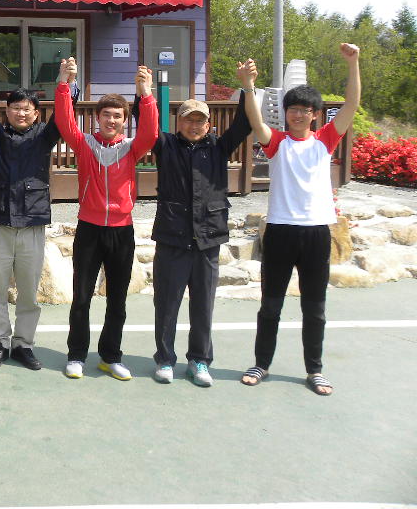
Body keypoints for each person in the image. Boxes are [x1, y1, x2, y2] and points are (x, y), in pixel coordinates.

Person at [238, 45, 361, 396]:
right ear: (286, 113)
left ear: (315, 115)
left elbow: (351, 104)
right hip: (280, 231)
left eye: (305, 110)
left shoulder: (325, 140)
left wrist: (353, 64)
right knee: (270, 306)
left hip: (317, 233)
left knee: (315, 309)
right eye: (292, 109)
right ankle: (261, 364)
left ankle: (315, 370)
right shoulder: (276, 142)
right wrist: (248, 86)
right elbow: (255, 120)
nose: (298, 115)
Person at [55, 59, 158, 381]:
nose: (111, 120)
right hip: (89, 229)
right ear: (97, 118)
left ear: (125, 121)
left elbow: (151, 131)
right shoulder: (84, 144)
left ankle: (110, 357)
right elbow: (64, 121)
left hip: (121, 231)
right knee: (82, 298)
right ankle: (76, 355)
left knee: (117, 300)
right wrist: (64, 83)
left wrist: (146, 92)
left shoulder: (132, 148)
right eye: (106, 115)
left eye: (117, 116)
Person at [149, 84, 252, 387]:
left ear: (208, 124)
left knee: (203, 305)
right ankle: (165, 359)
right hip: (172, 237)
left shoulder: (219, 147)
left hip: (208, 239)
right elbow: (146, 124)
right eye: (188, 119)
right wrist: (144, 93)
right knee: (166, 304)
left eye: (200, 121)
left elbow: (244, 123)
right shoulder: (165, 145)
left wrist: (247, 88)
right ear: (178, 122)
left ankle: (199, 360)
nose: (194, 125)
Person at [0, 69, 77, 371]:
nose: (21, 113)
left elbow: (64, 115)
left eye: (27, 108)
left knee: (29, 292)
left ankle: (23, 344)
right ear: (7, 111)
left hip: (32, 224)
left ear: (36, 113)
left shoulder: (45, 136)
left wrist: (65, 82)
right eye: (16, 107)